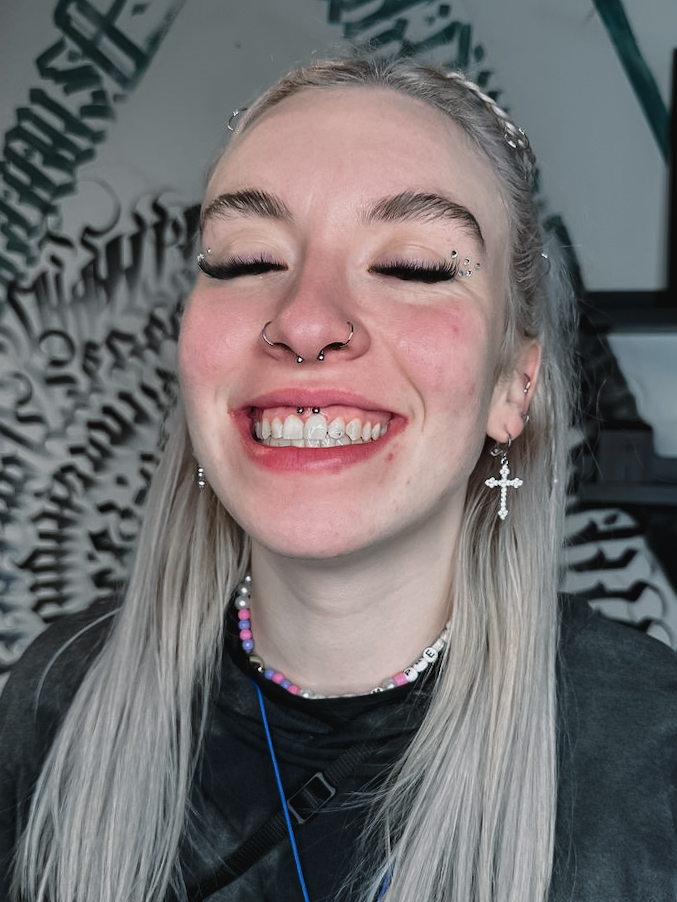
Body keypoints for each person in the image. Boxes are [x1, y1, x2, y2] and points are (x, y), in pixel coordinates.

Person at [1, 55, 676, 902]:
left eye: (412, 268)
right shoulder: (58, 694)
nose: (305, 320)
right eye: (247, 260)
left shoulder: (653, 756)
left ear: (514, 385)